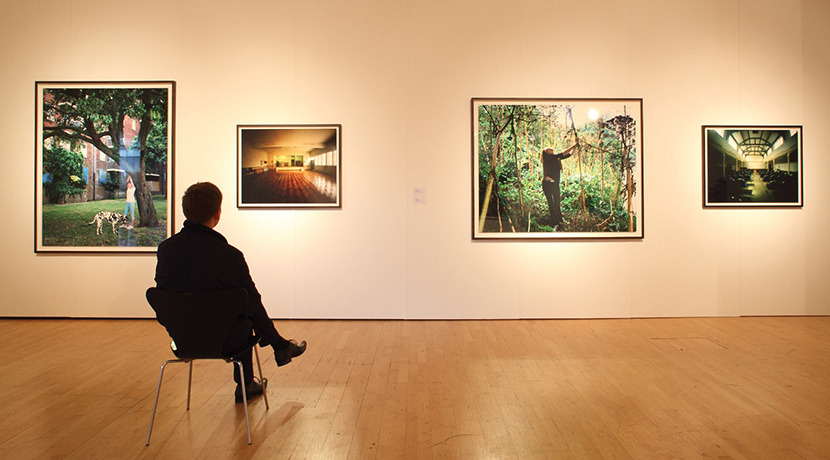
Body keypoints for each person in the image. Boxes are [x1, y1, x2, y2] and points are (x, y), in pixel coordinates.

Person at [155, 182, 306, 402]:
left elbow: (163, 290)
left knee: (239, 309)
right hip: (226, 341)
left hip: (183, 339)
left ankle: (279, 348)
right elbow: (251, 302)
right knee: (244, 312)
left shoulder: (166, 250)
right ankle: (253, 376)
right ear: (218, 213)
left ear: (186, 211)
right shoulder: (229, 255)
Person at [541, 141, 578, 230]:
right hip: (547, 184)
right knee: (551, 203)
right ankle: (554, 223)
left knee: (557, 203)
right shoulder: (549, 158)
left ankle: (559, 222)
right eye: (547, 149)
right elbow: (564, 152)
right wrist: (574, 145)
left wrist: (575, 146)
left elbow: (569, 154)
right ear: (546, 153)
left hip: (554, 184)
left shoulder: (556, 158)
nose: (550, 149)